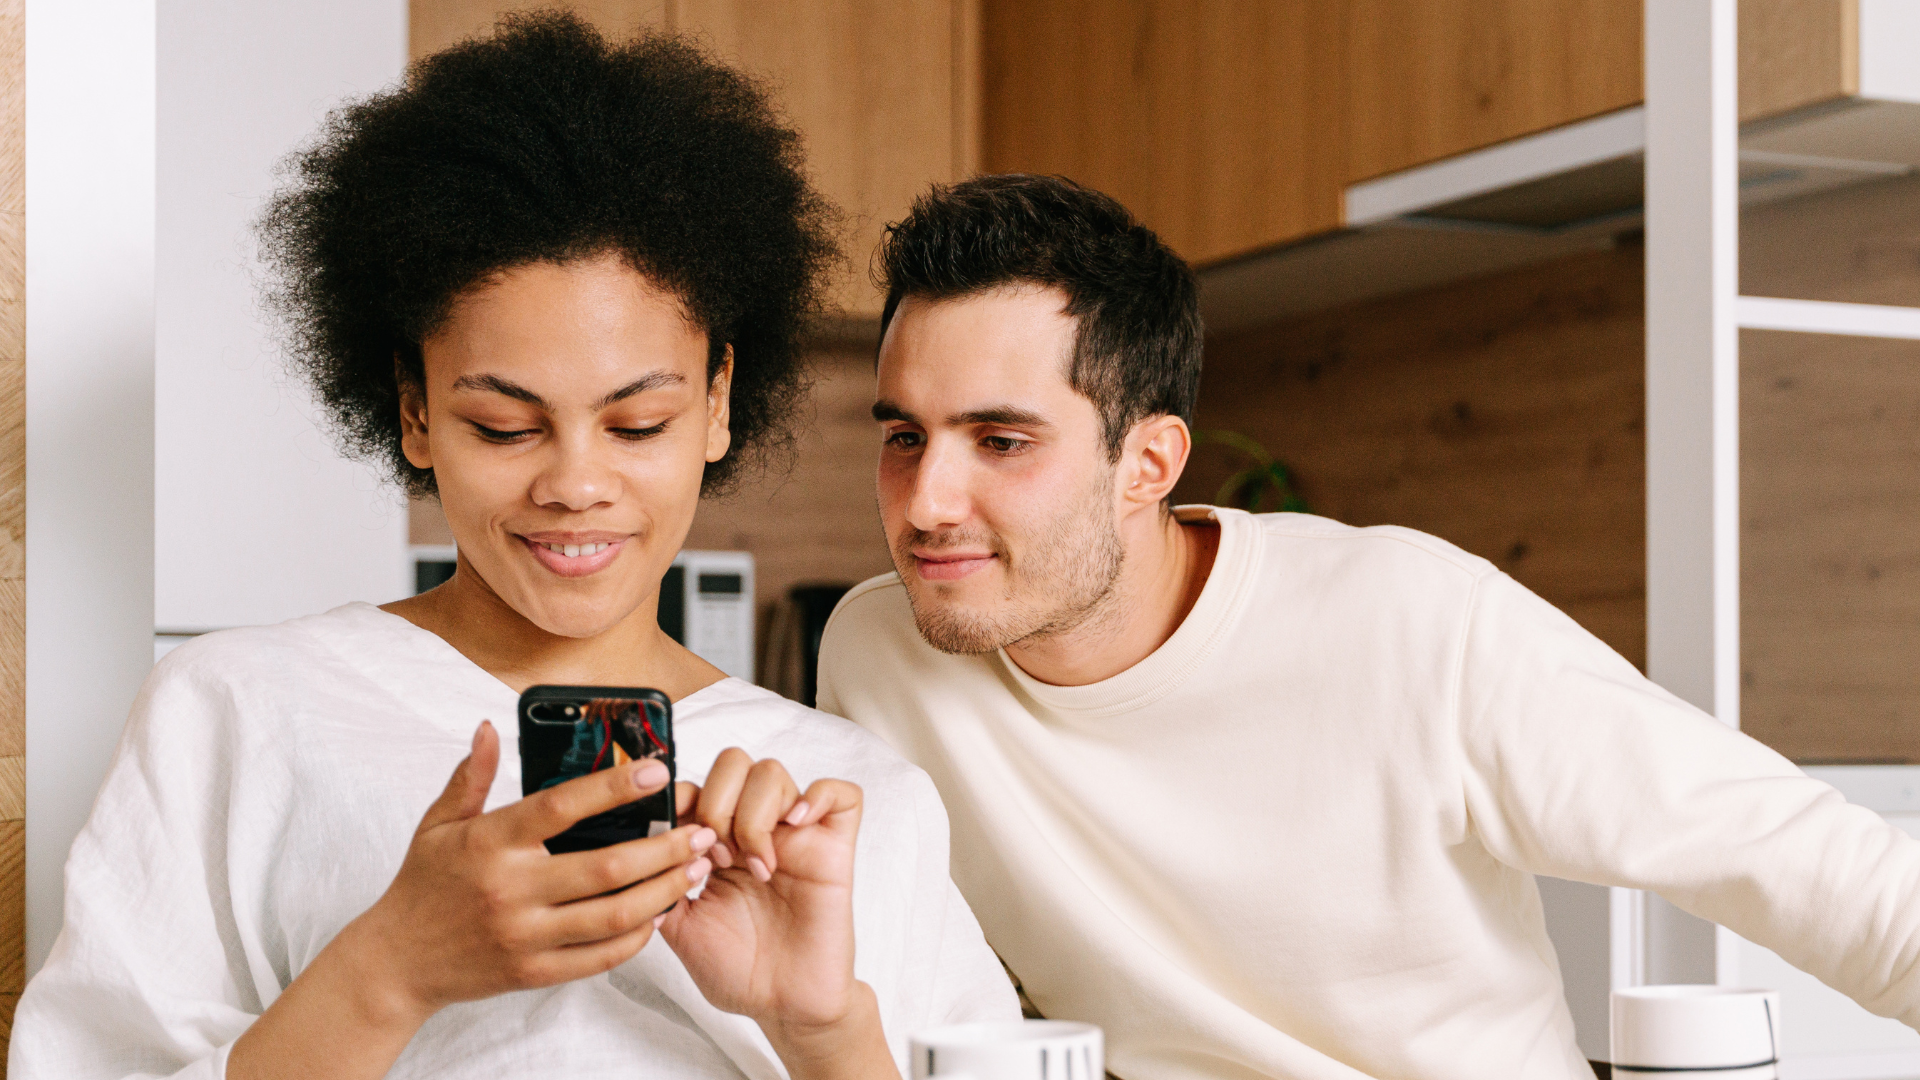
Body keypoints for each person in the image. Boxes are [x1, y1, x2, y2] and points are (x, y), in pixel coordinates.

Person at [11, 16, 1014, 1080]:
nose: (576, 485)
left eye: (637, 425)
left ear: (718, 403)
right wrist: (390, 969)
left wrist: (823, 1031)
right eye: (504, 425)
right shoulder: (236, 712)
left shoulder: (850, 798)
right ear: (414, 412)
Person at [815, 173, 1920, 1080]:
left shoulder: (1409, 622)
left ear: (1146, 465)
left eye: (1000, 441)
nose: (925, 503)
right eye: (903, 436)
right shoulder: (881, 656)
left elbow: (1819, 870)